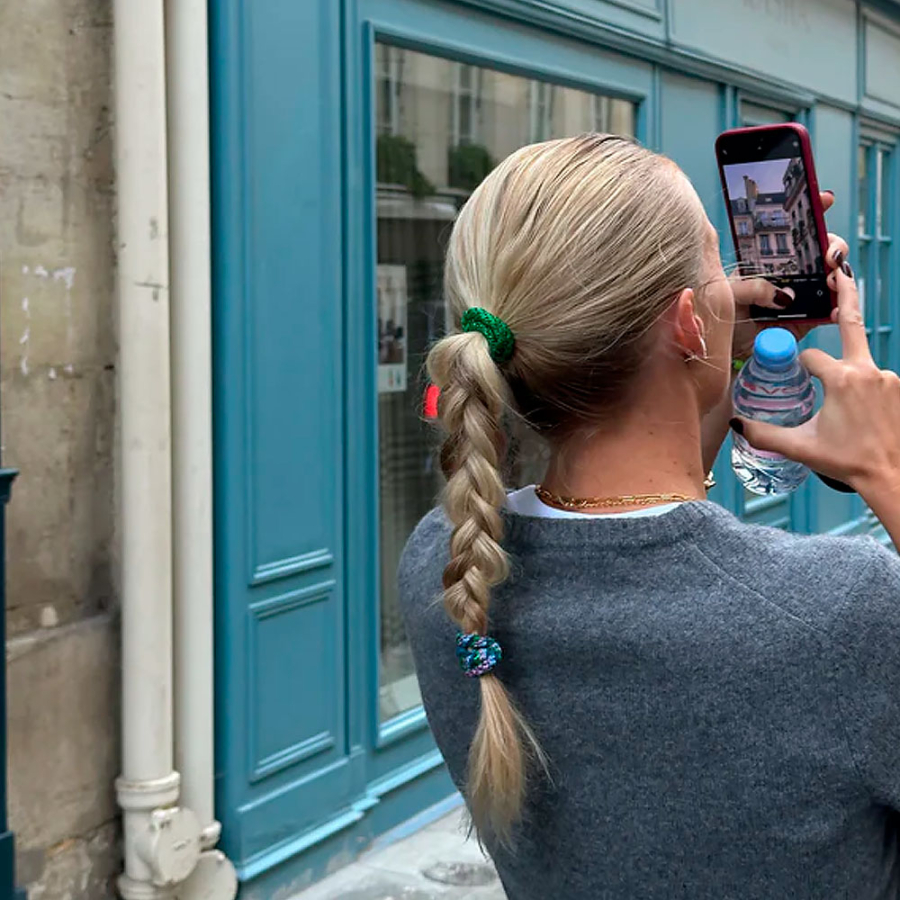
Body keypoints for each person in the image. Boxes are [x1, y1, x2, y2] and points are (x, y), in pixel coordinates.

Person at [398, 133, 900, 899]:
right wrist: (886, 470)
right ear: (687, 321)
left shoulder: (448, 566)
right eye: (717, 261)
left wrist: (719, 366)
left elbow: (645, 517)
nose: (738, 280)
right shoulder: (849, 611)